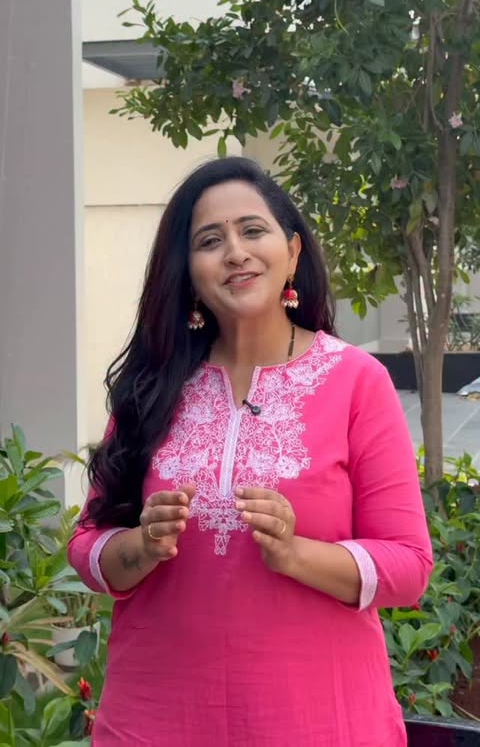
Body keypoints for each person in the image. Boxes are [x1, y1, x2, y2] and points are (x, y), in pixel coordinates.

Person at [68, 156, 433, 747]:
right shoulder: (152, 386)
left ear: (291, 252)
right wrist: (142, 545)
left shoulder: (356, 381)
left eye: (252, 230)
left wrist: (294, 554)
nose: (235, 252)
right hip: (155, 723)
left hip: (319, 723)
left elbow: (409, 567)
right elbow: (87, 546)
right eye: (210, 241)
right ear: (188, 273)